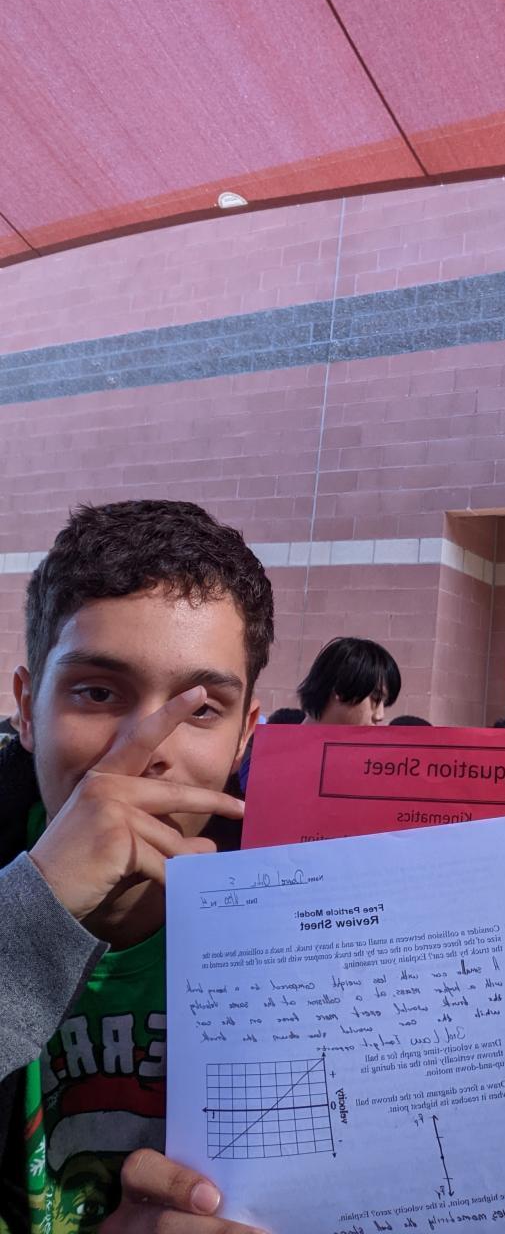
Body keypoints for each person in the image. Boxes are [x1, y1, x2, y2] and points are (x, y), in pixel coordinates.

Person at [0, 500, 274, 1234]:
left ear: (246, 736)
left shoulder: (296, 922)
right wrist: (36, 908)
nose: (147, 746)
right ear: (26, 709)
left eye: (202, 709)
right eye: (97, 692)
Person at [298, 637, 400, 726]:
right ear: (341, 687)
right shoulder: (289, 742)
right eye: (376, 697)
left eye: (384, 703)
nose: (380, 716)